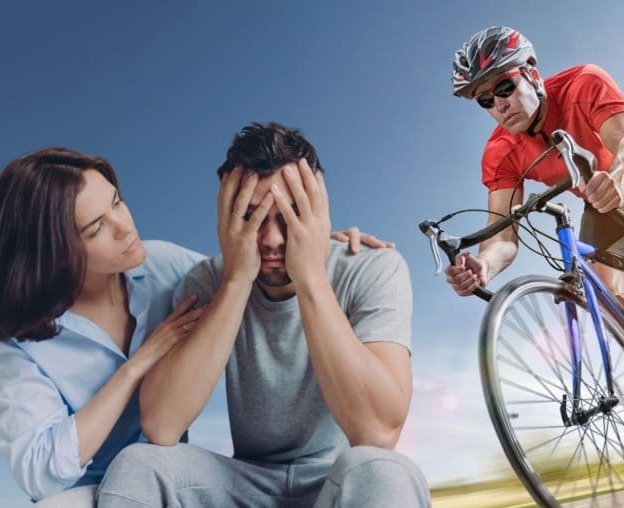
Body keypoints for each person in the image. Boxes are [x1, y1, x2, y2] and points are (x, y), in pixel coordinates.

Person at [0, 147, 390, 506]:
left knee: (145, 464)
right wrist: (136, 367)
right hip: (89, 491)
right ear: (55, 252)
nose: (124, 226)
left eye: (117, 202)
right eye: (97, 227)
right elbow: (40, 472)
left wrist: (315, 245)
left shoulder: (164, 266)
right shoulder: (18, 346)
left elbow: (245, 275)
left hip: (165, 476)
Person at [96, 122, 430, 507]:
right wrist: (237, 281)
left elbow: (377, 433)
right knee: (139, 464)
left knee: (386, 471)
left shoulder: (373, 269)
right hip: (245, 483)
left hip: (337, 483)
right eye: (252, 217)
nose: (271, 240)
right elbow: (162, 425)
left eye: (287, 217)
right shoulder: (208, 282)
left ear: (319, 211)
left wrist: (311, 278)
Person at [445, 26, 624, 457]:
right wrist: (483, 265)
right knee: (603, 297)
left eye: (503, 87)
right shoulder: (500, 152)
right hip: (599, 198)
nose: (498, 104)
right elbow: (503, 236)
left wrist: (619, 178)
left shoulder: (583, 82)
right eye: (484, 100)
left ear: (531, 73)